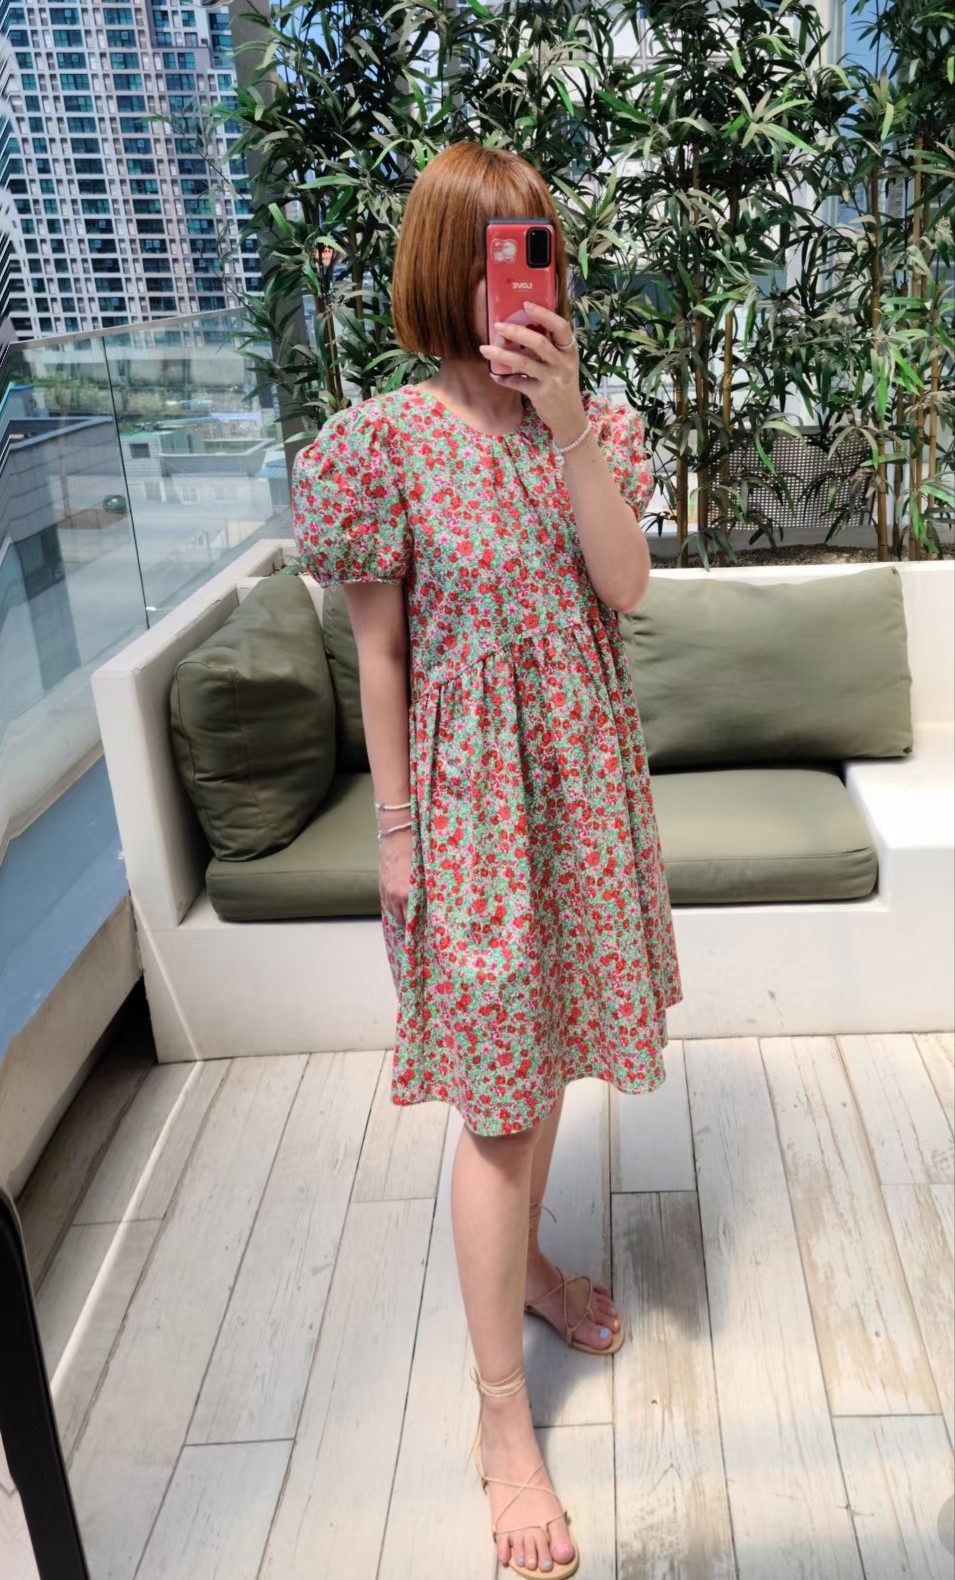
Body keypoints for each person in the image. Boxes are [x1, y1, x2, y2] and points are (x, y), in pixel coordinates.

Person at [292, 140, 683, 1579]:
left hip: (581, 790)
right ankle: (500, 1419)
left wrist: (568, 421)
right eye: (485, 251)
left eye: (532, 248)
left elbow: (625, 586)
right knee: (499, 1108)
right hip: (470, 811)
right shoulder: (379, 446)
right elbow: (381, 658)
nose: (511, 278)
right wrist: (398, 836)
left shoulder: (592, 426)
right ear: (440, 267)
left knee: (552, 1053)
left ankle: (525, 1269)